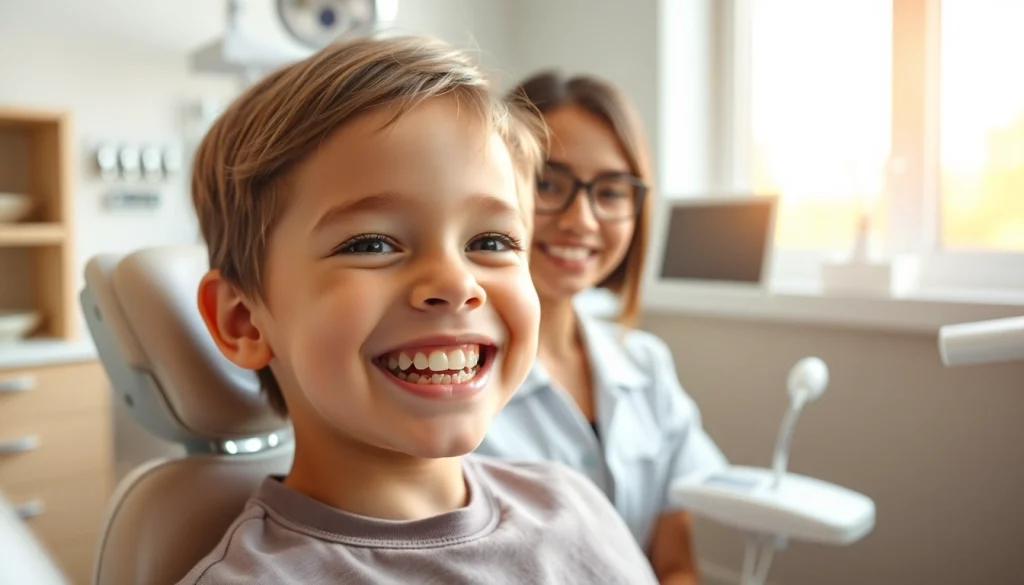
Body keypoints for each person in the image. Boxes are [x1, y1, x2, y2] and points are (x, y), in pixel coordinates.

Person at [175, 37, 658, 585]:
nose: (457, 284)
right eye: (372, 244)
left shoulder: (573, 506)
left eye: (493, 241)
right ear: (242, 321)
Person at [476, 71, 729, 585]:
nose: (583, 220)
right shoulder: (452, 374)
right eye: (549, 183)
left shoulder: (646, 364)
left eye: (611, 193)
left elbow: (675, 565)